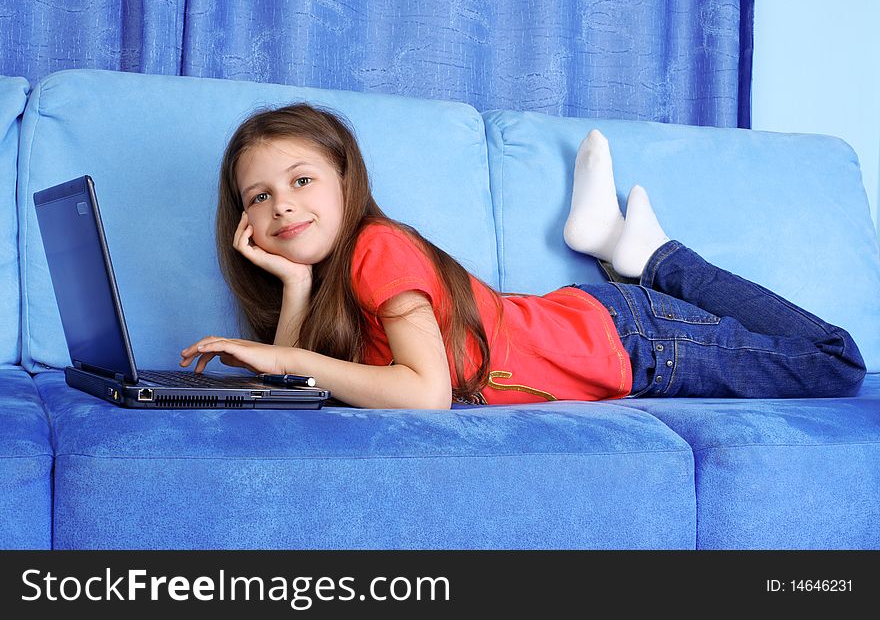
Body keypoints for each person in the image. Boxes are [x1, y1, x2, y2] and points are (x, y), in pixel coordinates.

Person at [179, 104, 867, 408]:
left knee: (837, 363)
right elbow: (297, 398)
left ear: (346, 181)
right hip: (592, 320)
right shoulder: (328, 277)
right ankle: (620, 249)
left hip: (636, 342)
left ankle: (654, 255)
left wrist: (287, 355)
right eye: (259, 197)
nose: (281, 208)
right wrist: (295, 289)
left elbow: (425, 393)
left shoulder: (376, 248)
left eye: (301, 181)